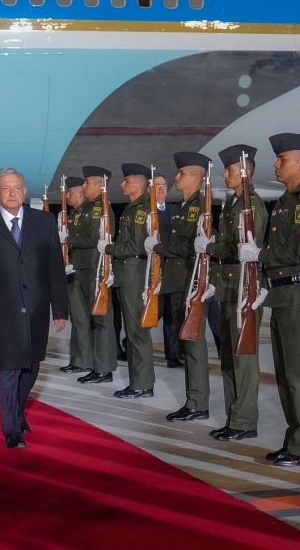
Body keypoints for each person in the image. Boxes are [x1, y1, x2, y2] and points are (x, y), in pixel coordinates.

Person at [0, 168, 69, 449]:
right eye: (6, 189)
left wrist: (60, 308)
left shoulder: (45, 222)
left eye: (17, 188)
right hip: (2, 311)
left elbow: (55, 270)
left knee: (31, 367)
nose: (12, 193)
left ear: (24, 191)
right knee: (8, 369)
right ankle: (11, 429)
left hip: (36, 309)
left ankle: (17, 409)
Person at [240, 133, 300, 467]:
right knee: (287, 375)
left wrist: (261, 254)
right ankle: (295, 440)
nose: (276, 164)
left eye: (282, 159)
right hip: (283, 294)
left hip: (299, 296)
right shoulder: (288, 201)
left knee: (299, 376)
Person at [201, 144, 268, 441]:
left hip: (244, 287)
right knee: (228, 358)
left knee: (243, 359)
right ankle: (234, 415)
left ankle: (244, 420)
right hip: (229, 288)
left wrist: (211, 247)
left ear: (244, 172)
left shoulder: (251, 204)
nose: (224, 175)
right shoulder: (233, 204)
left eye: (228, 170)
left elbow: (241, 249)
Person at [149, 152, 210, 421]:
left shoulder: (198, 206)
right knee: (187, 345)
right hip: (178, 283)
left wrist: (159, 247)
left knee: (193, 346)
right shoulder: (184, 206)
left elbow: (189, 246)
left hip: (190, 283)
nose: (176, 178)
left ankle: (197, 402)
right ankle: (193, 399)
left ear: (196, 177)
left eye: (181, 173)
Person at [104, 163, 155, 398]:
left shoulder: (143, 208)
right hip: (127, 274)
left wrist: (110, 248)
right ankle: (137, 382)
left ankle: (143, 384)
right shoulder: (131, 208)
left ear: (141, 183)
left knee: (137, 332)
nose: (123, 184)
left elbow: (136, 245)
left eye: (128, 180)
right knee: (132, 331)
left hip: (135, 275)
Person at [68, 167, 114, 384]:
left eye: (87, 183)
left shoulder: (100, 209)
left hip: (95, 269)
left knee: (101, 321)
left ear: (99, 185)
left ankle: (104, 369)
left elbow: (93, 239)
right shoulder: (87, 209)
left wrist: (67, 240)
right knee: (90, 320)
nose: (83, 186)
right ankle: (94, 364)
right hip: (84, 268)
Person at [56, 176, 93, 374]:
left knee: (81, 319)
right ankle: (77, 359)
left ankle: (84, 361)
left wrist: (68, 238)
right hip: (72, 271)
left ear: (80, 194)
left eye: (70, 192)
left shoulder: (88, 212)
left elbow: (90, 239)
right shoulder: (73, 215)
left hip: (82, 271)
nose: (67, 196)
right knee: (77, 319)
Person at [152, 172, 182, 366]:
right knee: (156, 312)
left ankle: (173, 356)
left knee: (172, 316)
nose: (161, 188)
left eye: (163, 185)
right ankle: (131, 343)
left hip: (172, 269)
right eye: (156, 185)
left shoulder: (174, 211)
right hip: (154, 269)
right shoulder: (147, 212)